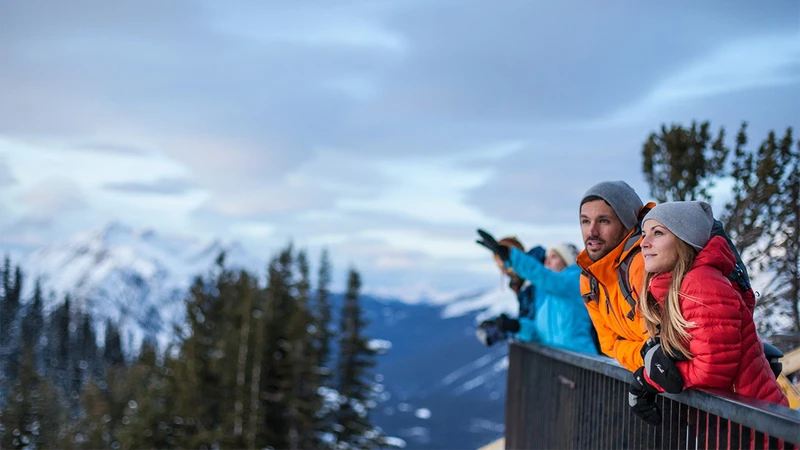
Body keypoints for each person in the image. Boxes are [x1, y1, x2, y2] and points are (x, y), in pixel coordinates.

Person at [627, 201, 788, 425]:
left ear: (684, 241)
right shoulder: (677, 286)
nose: (644, 243)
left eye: (658, 233)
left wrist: (649, 380)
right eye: (644, 234)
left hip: (753, 426)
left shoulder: (702, 284)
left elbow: (712, 369)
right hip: (734, 421)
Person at [476, 231, 598, 355]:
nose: (547, 261)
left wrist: (511, 255)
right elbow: (537, 333)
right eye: (546, 258)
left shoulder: (575, 282)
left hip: (582, 364)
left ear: (568, 260)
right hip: (557, 364)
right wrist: (516, 326)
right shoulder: (543, 294)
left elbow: (544, 276)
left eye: (554, 256)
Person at [577, 181, 655, 371]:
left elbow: (660, 349)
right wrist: (641, 355)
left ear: (627, 224)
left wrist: (627, 348)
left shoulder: (644, 265)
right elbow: (609, 346)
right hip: (649, 384)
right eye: (585, 221)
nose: (592, 232)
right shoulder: (589, 278)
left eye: (604, 221)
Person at [475, 237, 543, 347]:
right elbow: (526, 324)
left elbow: (538, 330)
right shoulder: (523, 289)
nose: (505, 273)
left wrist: (513, 327)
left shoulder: (537, 285)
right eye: (501, 269)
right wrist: (502, 328)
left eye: (507, 267)